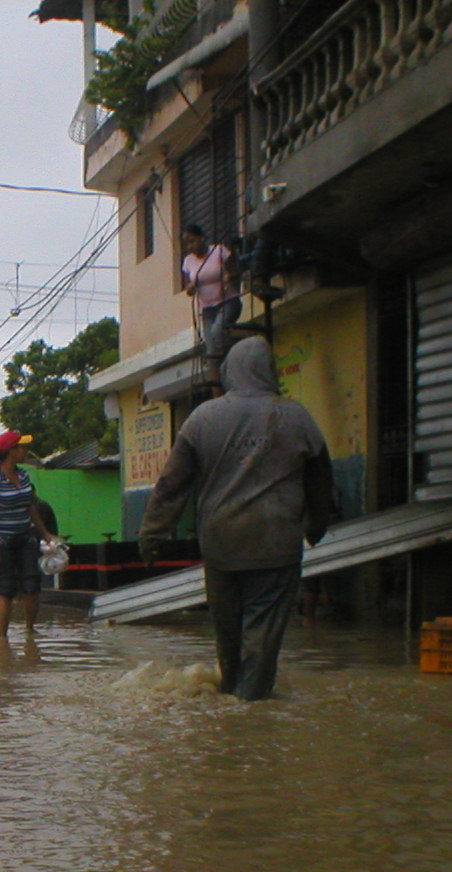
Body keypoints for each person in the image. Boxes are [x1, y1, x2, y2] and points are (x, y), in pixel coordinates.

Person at [138, 337, 337, 701]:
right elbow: (321, 479)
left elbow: (171, 484)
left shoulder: (202, 418)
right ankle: (251, 712)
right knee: (262, 633)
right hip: (277, 544)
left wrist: (152, 534)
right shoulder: (297, 416)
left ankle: (229, 702)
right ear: (269, 371)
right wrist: (316, 525)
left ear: (231, 372)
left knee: (227, 632)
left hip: (221, 543)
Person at [0, 430, 62, 640]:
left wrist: (45, 533)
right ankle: (2, 640)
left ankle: (30, 633)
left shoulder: (23, 475)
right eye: (21, 447)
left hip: (25, 538)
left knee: (32, 587)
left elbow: (31, 507)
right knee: (5, 591)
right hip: (2, 541)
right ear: (10, 451)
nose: (25, 451)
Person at [181, 224, 241, 382]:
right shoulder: (188, 262)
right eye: (187, 243)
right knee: (211, 352)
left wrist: (229, 276)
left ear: (202, 238)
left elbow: (235, 271)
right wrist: (191, 288)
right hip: (207, 309)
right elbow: (188, 287)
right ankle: (218, 392)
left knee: (217, 332)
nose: (190, 246)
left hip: (227, 302)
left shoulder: (219, 251)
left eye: (192, 241)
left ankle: (234, 366)